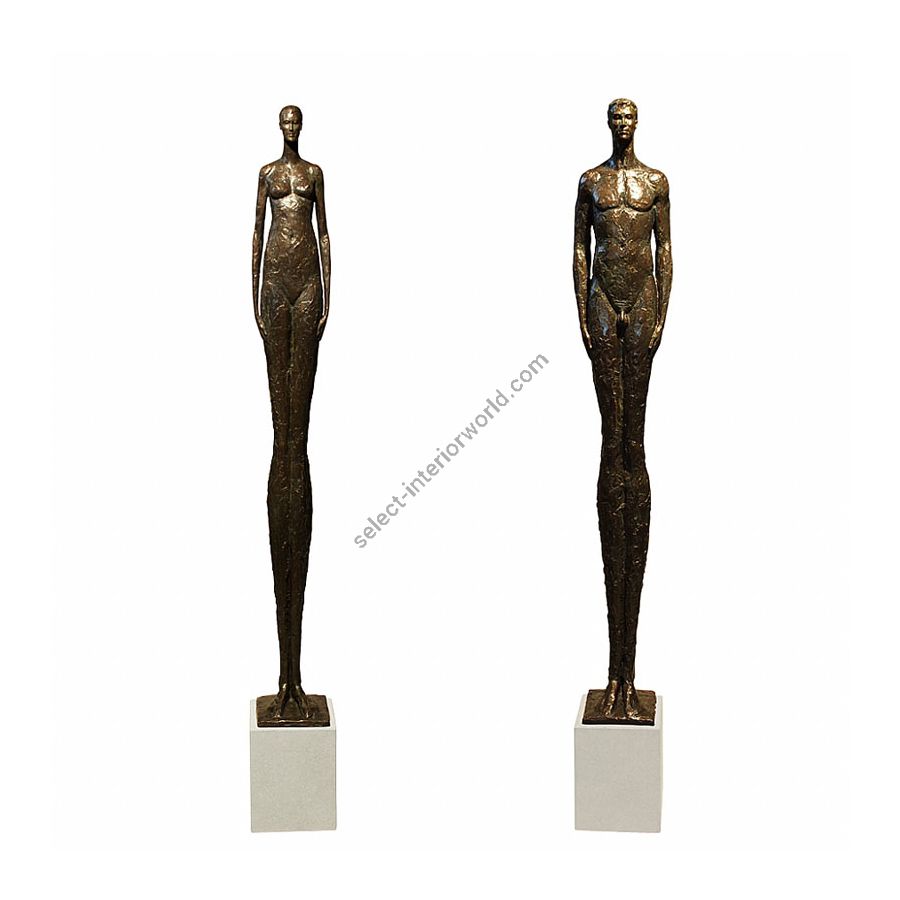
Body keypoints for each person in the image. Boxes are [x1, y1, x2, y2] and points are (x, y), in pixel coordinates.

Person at [573, 98, 672, 721]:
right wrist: (583, 315)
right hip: (604, 307)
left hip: (641, 306)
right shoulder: (592, 182)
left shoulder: (656, 183)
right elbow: (579, 251)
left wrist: (659, 318)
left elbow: (667, 253)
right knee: (613, 447)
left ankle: (628, 671)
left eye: (629, 116)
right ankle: (615, 672)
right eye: (616, 116)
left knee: (633, 447)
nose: (623, 124)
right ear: (609, 123)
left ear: (637, 123)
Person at [252, 105, 331, 721]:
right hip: (275, 286)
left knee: (296, 444)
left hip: (306, 287)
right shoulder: (268, 175)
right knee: (283, 443)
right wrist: (253, 296)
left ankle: (295, 675)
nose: (291, 129)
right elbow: (256, 235)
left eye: (296, 122)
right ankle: (285, 674)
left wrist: (328, 294)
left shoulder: (312, 175)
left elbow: (324, 235)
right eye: (285, 122)